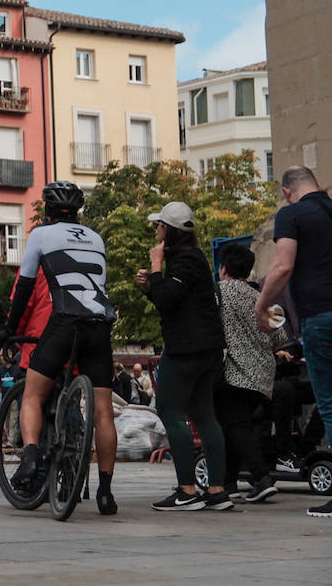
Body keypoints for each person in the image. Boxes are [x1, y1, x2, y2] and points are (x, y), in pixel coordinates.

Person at [2, 181, 119, 514]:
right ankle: (106, 493)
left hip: (64, 320)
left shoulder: (41, 235)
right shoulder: (96, 238)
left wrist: (9, 329)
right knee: (103, 412)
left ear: (49, 211)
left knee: (33, 394)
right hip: (99, 325)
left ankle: (31, 457)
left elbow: (25, 285)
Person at [255, 166, 332, 518]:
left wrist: (261, 307)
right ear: (319, 185)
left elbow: (282, 267)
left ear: (286, 191)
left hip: (322, 319)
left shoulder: (291, 215)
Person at [136, 200, 230, 511]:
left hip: (186, 349)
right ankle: (217, 490)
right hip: (209, 349)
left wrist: (156, 270)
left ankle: (187, 490)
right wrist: (150, 286)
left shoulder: (183, 261)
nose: (155, 230)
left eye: (158, 226)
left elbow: (167, 300)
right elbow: (172, 299)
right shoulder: (194, 258)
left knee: (171, 412)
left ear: (170, 231)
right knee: (205, 416)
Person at [214, 243, 284, 504]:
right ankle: (229, 483)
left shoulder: (217, 292)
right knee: (234, 426)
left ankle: (262, 478)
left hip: (233, 373)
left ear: (222, 269)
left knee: (236, 426)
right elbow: (280, 335)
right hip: (263, 375)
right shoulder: (262, 296)